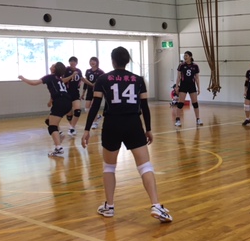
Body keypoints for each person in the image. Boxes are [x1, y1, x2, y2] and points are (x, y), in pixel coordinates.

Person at [81, 46, 172, 223]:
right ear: (128, 60)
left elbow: (95, 106)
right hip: (133, 124)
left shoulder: (102, 79)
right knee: (145, 166)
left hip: (111, 125)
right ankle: (156, 205)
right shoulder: (138, 80)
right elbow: (144, 107)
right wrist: (148, 129)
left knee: (109, 167)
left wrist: (86, 130)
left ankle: (109, 206)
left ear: (112, 61)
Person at [18, 62, 71, 157]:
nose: (51, 65)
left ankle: (58, 148)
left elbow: (34, 83)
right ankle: (59, 134)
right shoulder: (58, 79)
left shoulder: (49, 77)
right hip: (67, 102)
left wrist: (23, 78)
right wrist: (50, 101)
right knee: (48, 121)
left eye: (53, 65)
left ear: (55, 69)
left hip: (60, 102)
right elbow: (56, 91)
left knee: (52, 126)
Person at [174, 51, 202, 127]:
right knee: (180, 103)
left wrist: (199, 88)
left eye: (186, 55)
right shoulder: (181, 65)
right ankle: (178, 119)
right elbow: (178, 77)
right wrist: (176, 86)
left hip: (192, 85)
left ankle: (198, 119)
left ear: (190, 57)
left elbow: (197, 78)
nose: (185, 57)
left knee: (195, 103)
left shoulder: (195, 66)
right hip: (183, 85)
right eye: (184, 56)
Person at [62, 56, 86, 137]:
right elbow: (62, 80)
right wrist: (71, 75)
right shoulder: (66, 70)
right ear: (69, 62)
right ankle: (72, 127)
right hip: (67, 93)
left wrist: (91, 84)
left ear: (76, 63)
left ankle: (71, 128)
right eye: (71, 61)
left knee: (77, 111)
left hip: (75, 93)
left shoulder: (79, 71)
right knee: (69, 114)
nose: (72, 63)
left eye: (74, 61)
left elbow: (82, 79)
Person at [82, 57, 105, 130]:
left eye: (94, 61)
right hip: (89, 91)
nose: (92, 62)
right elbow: (85, 82)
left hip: (97, 92)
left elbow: (103, 82)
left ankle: (95, 122)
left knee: (93, 107)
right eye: (91, 61)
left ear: (97, 62)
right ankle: (97, 116)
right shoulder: (88, 71)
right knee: (86, 108)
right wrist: (83, 92)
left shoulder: (100, 72)